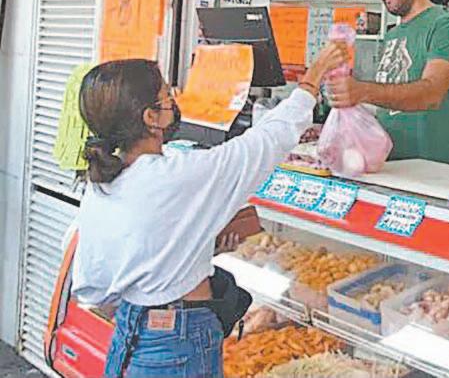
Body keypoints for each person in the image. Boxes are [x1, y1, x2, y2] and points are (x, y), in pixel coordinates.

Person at [72, 48, 343, 378]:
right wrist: (312, 80)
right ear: (151, 117)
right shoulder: (178, 174)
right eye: (166, 94)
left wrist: (187, 252)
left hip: (131, 332)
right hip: (177, 340)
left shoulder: (104, 180)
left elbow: (94, 282)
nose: (174, 99)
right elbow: (265, 142)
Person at [326, 0, 449, 168]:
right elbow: (390, 105)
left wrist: (362, 91)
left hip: (440, 173)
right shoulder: (392, 35)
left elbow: (432, 93)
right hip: (392, 168)